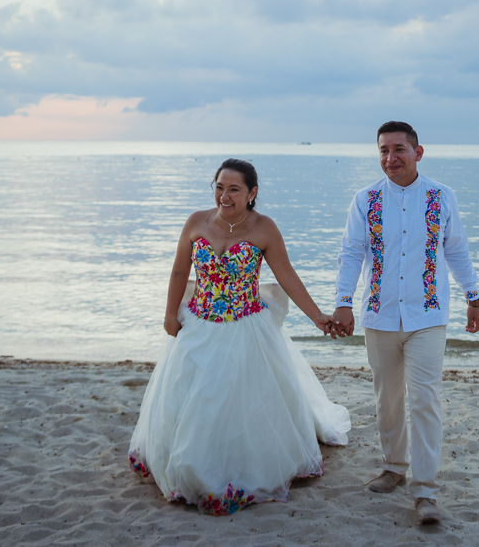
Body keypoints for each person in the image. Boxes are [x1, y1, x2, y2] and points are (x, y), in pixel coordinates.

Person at [128, 158, 351, 515]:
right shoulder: (195, 222)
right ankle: (190, 465)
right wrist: (170, 316)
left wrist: (318, 317)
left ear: (252, 193)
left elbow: (288, 276)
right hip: (198, 323)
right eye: (219, 187)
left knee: (241, 401)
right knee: (191, 400)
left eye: (234, 189)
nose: (224, 196)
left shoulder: (264, 228)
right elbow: (178, 271)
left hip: (247, 326)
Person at [331, 121, 479, 525]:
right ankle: (394, 467)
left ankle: (426, 490)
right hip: (379, 314)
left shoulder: (440, 197)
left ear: (418, 152)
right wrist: (343, 303)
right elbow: (350, 253)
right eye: (383, 150)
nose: (390, 158)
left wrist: (474, 297)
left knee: (425, 400)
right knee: (387, 399)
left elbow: (457, 251)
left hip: (427, 316)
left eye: (399, 149)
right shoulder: (365, 200)